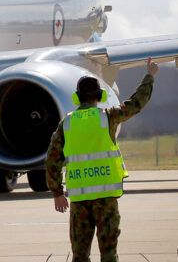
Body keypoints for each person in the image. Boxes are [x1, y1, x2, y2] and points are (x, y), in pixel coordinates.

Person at [45, 57, 159, 262]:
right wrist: (149, 76)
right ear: (101, 96)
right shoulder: (108, 117)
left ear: (76, 98)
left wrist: (57, 193)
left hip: (79, 201)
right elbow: (136, 104)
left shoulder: (67, 123)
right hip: (106, 198)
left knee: (80, 255)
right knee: (108, 254)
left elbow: (52, 159)